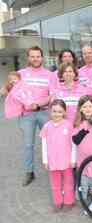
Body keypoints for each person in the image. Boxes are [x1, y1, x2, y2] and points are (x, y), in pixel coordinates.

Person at [17, 46, 52, 186]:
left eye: (38, 56)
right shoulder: (21, 74)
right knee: (28, 145)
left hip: (45, 112)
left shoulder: (50, 75)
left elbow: (52, 94)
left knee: (51, 141)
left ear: (42, 57)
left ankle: (55, 167)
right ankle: (29, 172)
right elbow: (12, 91)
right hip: (27, 115)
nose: (35, 59)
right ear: (28, 58)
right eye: (32, 56)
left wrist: (39, 104)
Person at [40, 99, 76, 212]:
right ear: (50, 111)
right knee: (55, 184)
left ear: (64, 112)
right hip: (53, 161)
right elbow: (44, 144)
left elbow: (74, 143)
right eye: (54, 111)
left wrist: (73, 159)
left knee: (68, 182)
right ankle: (57, 202)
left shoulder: (69, 125)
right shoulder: (46, 126)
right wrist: (45, 160)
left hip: (66, 161)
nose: (57, 114)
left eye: (60, 111)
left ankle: (69, 201)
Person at [72, 95, 92, 210]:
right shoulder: (77, 124)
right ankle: (85, 195)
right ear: (80, 109)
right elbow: (75, 140)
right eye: (84, 107)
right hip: (84, 161)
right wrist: (84, 129)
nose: (87, 109)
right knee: (84, 181)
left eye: (90, 106)